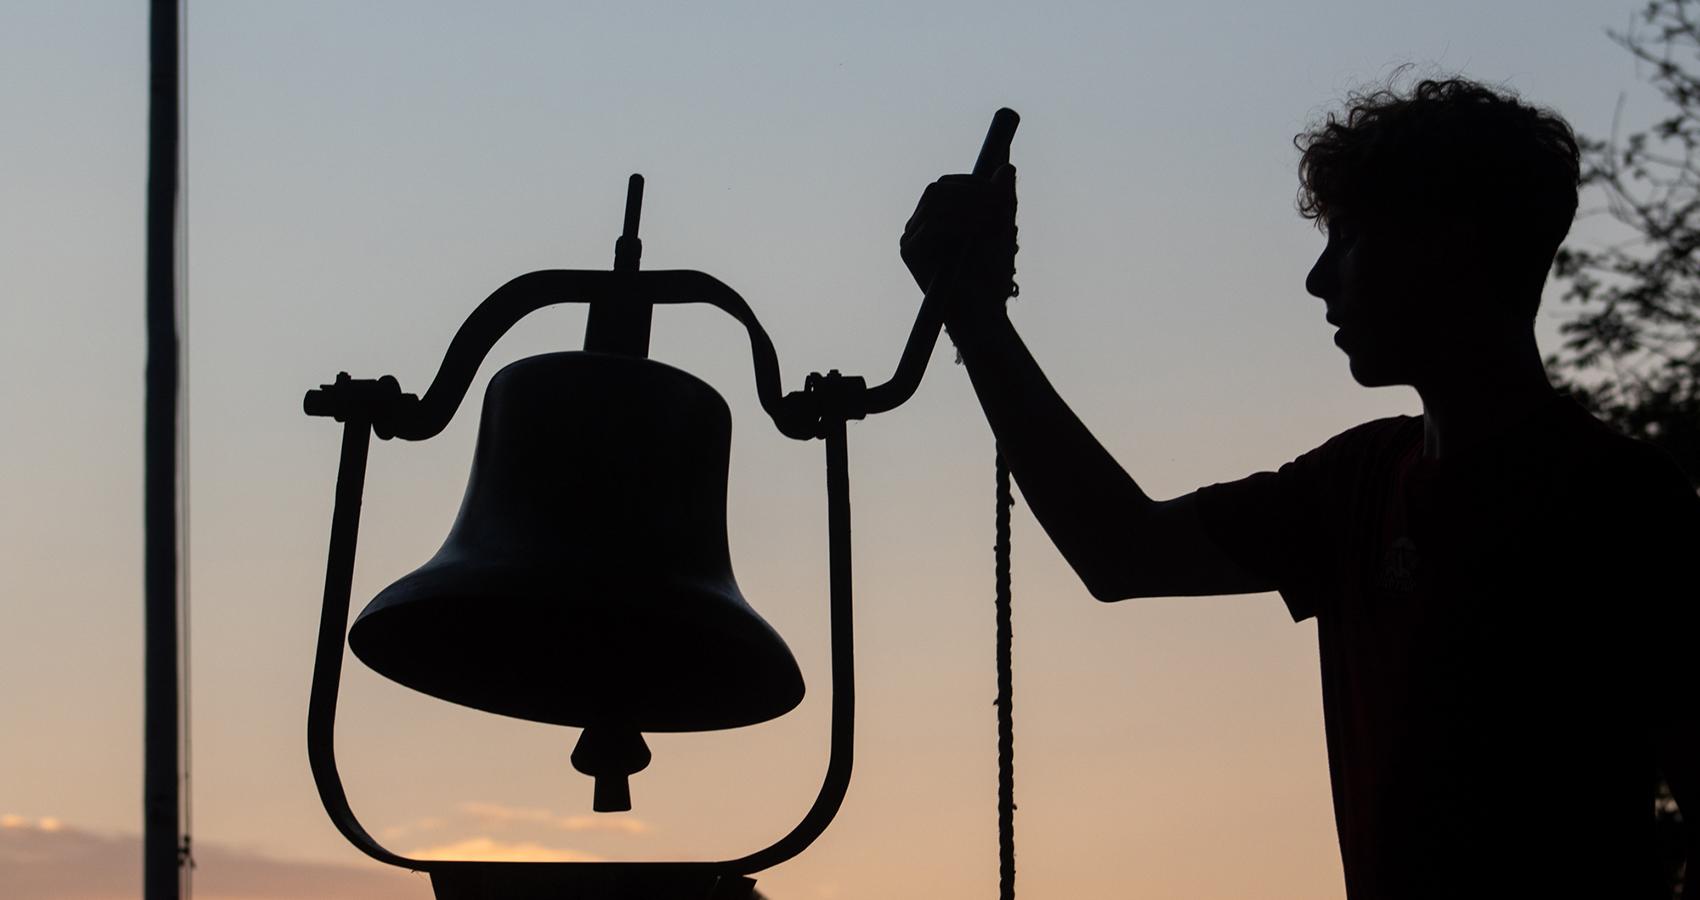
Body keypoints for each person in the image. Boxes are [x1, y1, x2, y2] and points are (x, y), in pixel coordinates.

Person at [901, 78, 1698, 898]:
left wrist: (978, 312)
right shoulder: (1356, 483)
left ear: (1448, 244)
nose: (1320, 280)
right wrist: (977, 314)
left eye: (1349, 237)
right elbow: (1120, 551)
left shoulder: (1621, 507)